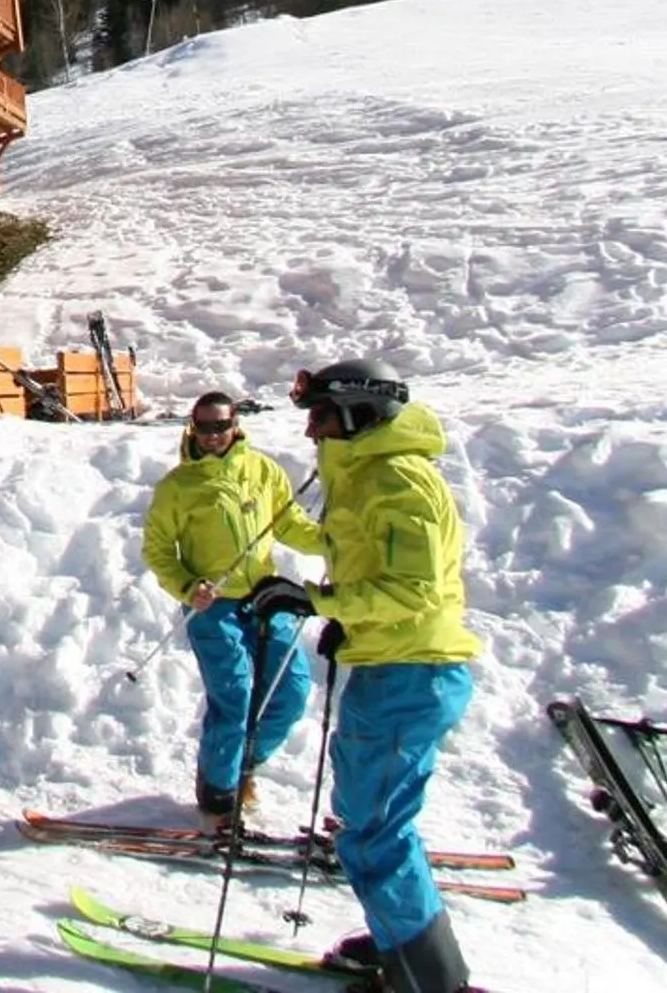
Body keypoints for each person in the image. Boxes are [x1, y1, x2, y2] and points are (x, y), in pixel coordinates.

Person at [245, 362, 482, 993]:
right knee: (371, 818)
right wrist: (347, 616)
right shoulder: (368, 476)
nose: (310, 431)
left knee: (375, 829)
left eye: (319, 416)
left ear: (356, 413)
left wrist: (318, 603)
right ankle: (397, 940)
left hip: (411, 673)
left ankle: (429, 979)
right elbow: (378, 576)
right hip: (395, 665)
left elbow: (411, 591)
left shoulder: (397, 481)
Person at [141, 389, 323, 826]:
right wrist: (187, 586)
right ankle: (218, 795)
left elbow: (290, 525)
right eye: (202, 427)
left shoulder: (262, 471)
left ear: (235, 424)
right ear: (192, 427)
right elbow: (158, 548)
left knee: (293, 691)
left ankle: (243, 765)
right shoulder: (178, 487)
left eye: (220, 426)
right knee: (235, 696)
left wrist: (334, 542)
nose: (211, 436)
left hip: (264, 598)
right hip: (214, 605)